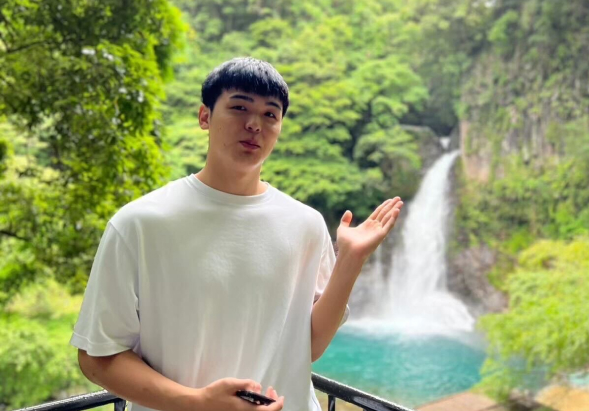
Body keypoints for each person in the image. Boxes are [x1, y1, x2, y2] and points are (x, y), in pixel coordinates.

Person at [70, 57, 404, 411]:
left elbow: (309, 346)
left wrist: (350, 260)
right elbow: (97, 356)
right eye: (239, 107)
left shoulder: (305, 223)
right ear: (205, 116)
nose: (254, 125)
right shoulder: (140, 223)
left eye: (270, 114)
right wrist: (198, 403)